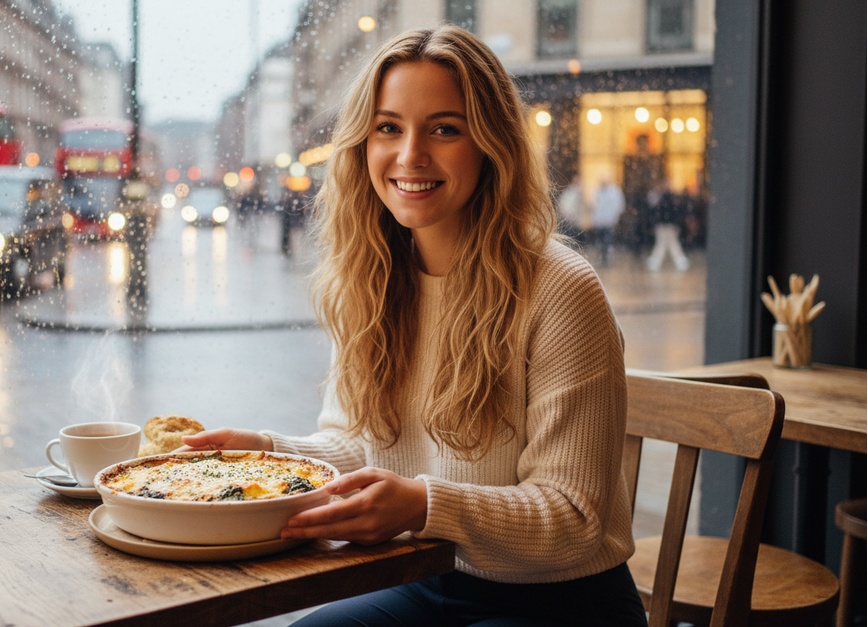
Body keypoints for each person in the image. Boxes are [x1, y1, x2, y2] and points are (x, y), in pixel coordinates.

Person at [181, 24, 645, 627]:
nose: (410, 156)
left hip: (562, 597)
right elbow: (361, 445)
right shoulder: (371, 278)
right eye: (388, 128)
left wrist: (423, 505)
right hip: (423, 578)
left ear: (491, 144)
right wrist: (270, 457)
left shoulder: (561, 289)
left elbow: (574, 519)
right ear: (362, 145)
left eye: (445, 129)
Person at [645, 179, 690, 272]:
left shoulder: (665, 198)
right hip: (665, 224)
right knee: (667, 243)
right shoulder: (667, 198)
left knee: (667, 243)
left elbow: (661, 212)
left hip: (668, 224)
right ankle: (679, 261)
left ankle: (657, 261)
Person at [589, 177, 625, 265]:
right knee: (601, 241)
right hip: (600, 222)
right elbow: (593, 206)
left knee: (607, 241)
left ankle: (607, 258)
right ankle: (602, 258)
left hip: (609, 221)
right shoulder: (597, 191)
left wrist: (614, 217)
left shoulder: (614, 192)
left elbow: (619, 206)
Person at [555, 173, 586, 243]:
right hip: (571, 221)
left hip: (574, 221)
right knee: (572, 241)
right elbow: (565, 206)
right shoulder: (571, 193)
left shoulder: (576, 193)